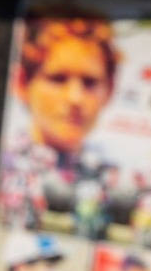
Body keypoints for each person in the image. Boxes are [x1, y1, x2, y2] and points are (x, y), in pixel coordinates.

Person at [13, 9, 116, 171]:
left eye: (89, 82)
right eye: (58, 79)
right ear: (22, 83)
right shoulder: (3, 164)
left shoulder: (110, 176)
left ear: (110, 88)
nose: (75, 98)